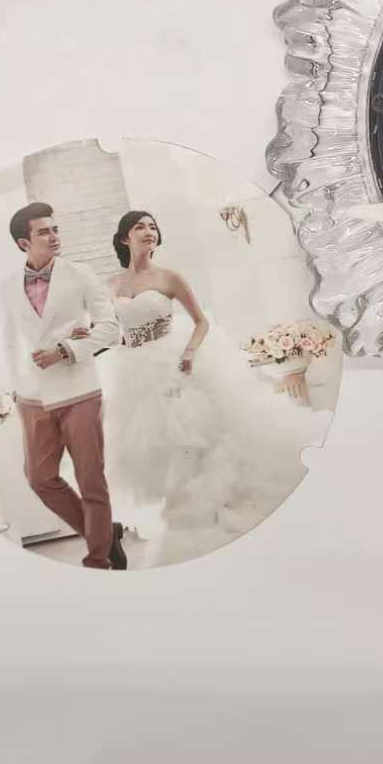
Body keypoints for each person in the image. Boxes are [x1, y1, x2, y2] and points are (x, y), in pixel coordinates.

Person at [89, 209, 324, 566]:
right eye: (140, 227)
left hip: (172, 358)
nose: (149, 232)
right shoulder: (111, 286)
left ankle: (211, 508)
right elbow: (108, 330)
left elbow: (201, 322)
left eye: (153, 226)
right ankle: (180, 514)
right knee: (159, 445)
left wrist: (188, 353)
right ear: (124, 238)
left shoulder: (169, 278)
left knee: (197, 436)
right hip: (133, 367)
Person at [1, 202, 127, 570]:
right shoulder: (8, 286)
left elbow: (111, 329)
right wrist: (14, 386)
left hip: (79, 389)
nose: (54, 236)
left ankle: (98, 560)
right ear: (24, 243)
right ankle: (103, 533)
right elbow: (10, 341)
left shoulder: (81, 274)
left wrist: (65, 350)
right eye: (44, 231)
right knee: (40, 479)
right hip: (32, 396)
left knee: (91, 479)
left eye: (55, 229)